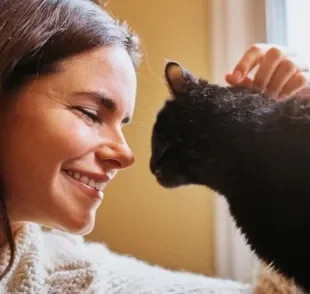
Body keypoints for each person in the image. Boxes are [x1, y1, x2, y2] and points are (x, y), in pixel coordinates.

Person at [0, 0, 307, 293]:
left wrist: (290, 144)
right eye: (90, 114)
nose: (125, 154)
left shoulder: (76, 277)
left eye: (122, 124)